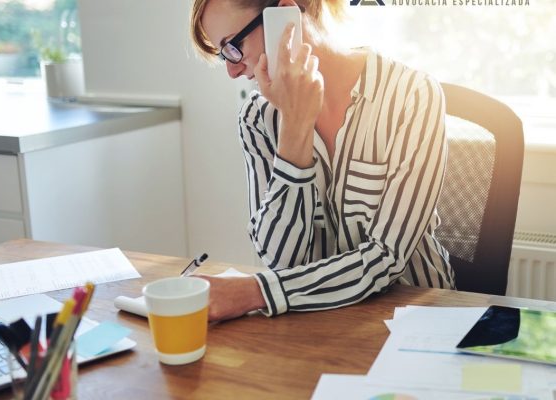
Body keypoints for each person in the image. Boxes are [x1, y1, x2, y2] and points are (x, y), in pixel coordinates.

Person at [190, 0, 455, 321]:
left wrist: (255, 291)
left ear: (285, 15)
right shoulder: (258, 117)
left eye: (233, 46)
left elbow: (388, 257)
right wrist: (295, 126)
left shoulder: (413, 94)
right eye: (224, 56)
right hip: (312, 322)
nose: (232, 71)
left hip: (412, 316)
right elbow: (281, 259)